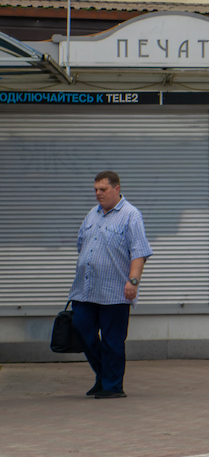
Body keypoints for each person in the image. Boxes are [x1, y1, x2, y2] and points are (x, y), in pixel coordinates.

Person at [68, 171, 151, 399]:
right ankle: (104, 376)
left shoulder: (130, 215)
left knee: (113, 340)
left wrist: (133, 281)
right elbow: (81, 246)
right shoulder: (92, 215)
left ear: (116, 188)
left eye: (102, 190)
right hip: (85, 290)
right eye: (95, 189)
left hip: (115, 291)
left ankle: (112, 386)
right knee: (82, 328)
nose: (97, 194)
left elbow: (139, 252)